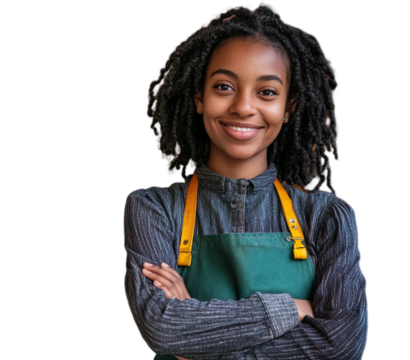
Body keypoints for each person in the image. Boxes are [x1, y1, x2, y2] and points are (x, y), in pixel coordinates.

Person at [122, 2, 368, 359]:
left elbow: (342, 344)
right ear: (199, 99)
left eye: (266, 92)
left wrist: (197, 345)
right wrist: (293, 309)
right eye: (224, 86)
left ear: (288, 109)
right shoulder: (154, 210)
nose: (243, 107)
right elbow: (163, 327)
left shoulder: (327, 217)